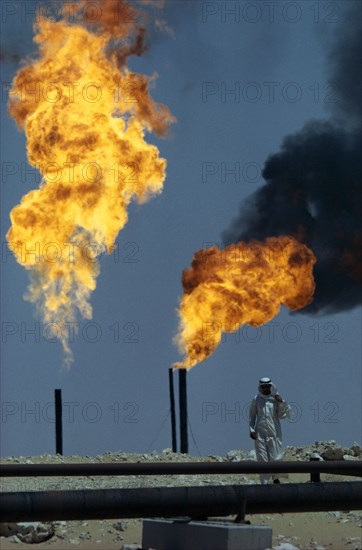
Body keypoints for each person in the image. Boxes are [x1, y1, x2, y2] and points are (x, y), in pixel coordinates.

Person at [249, 377, 291, 484]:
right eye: (263, 387)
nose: (265, 389)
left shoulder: (275, 400)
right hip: (260, 433)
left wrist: (281, 402)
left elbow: (282, 415)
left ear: (271, 386)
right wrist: (251, 429)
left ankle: (275, 478)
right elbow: (252, 416)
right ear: (260, 387)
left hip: (274, 433)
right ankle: (264, 484)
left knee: (276, 457)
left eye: (267, 386)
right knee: (262, 459)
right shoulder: (256, 399)